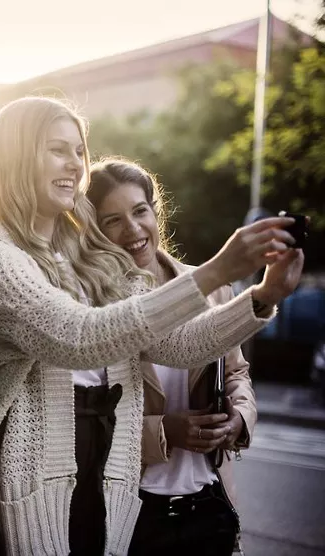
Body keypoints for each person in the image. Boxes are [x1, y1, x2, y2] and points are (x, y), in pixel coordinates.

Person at [0, 97, 303, 556]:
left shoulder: (89, 253)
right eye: (57, 149)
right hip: (34, 477)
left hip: (113, 476)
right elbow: (79, 338)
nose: (75, 164)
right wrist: (217, 270)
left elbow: (178, 346)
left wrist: (264, 295)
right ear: (16, 155)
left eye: (79, 150)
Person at [87, 157, 263, 556]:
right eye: (113, 220)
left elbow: (236, 373)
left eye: (140, 211)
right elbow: (88, 423)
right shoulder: (95, 310)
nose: (133, 230)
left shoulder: (212, 289)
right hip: (133, 514)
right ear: (95, 232)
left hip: (210, 502)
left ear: (155, 212)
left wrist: (239, 418)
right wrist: (164, 431)